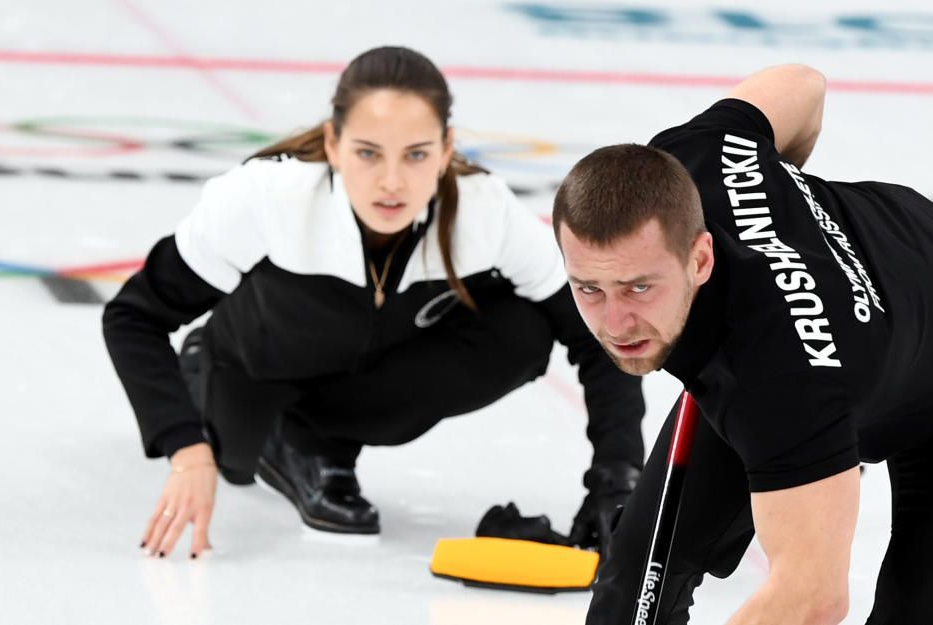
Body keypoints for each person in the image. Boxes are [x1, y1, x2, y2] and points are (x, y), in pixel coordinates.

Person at [551, 64, 933, 624]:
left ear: (700, 258)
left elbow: (814, 599)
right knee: (632, 594)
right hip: (849, 342)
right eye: (590, 289)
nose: (617, 321)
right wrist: (783, 224)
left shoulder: (785, 380)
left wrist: (791, 292)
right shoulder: (694, 155)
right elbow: (801, 84)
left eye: (639, 287)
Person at [102, 46, 645, 560]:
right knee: (235, 455)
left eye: (416, 155)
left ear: (446, 149)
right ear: (334, 144)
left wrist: (620, 477)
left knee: (521, 331)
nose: (391, 182)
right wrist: (186, 448)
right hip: (254, 367)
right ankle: (232, 395)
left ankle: (318, 441)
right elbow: (134, 316)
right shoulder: (266, 199)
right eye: (367, 153)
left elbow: (597, 335)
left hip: (357, 383)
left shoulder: (484, 212)